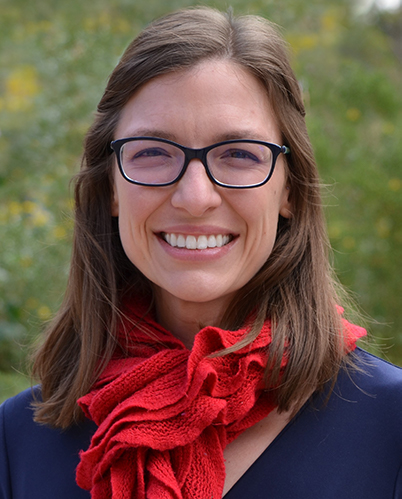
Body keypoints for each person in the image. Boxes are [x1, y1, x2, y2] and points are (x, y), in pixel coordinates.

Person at [1, 6, 401, 499]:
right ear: (109, 187)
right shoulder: (16, 443)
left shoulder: (392, 426)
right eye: (152, 151)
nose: (195, 196)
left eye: (238, 154)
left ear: (289, 190)